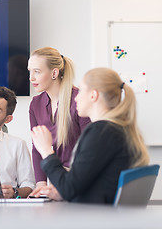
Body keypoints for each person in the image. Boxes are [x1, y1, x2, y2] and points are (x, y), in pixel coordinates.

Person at [29, 67, 150, 204]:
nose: (77, 97)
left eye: (81, 91)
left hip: (95, 218)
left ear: (93, 95)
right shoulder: (116, 129)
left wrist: (46, 151)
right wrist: (62, 193)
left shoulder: (101, 132)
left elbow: (68, 188)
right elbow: (85, 185)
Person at [28, 47, 91, 192]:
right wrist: (41, 186)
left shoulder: (80, 101)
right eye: (30, 71)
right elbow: (37, 149)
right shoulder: (35, 104)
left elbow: (89, 149)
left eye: (37, 71)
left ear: (54, 73)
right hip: (57, 184)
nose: (31, 78)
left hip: (80, 182)